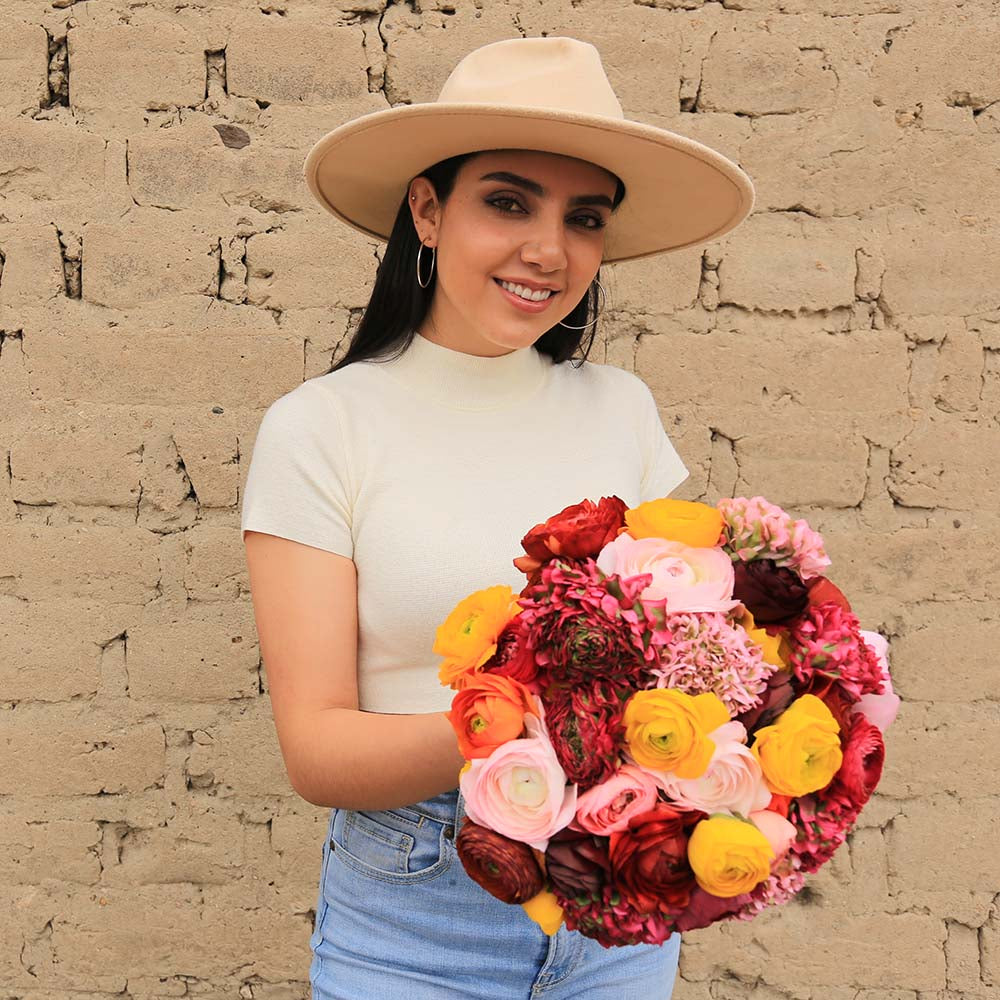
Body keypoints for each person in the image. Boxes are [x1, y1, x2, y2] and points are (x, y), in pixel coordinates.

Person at [241, 35, 755, 1000]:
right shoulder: (322, 427)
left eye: (584, 217)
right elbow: (317, 750)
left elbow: (682, 655)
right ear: (427, 210)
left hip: (615, 915)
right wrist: (532, 708)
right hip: (415, 914)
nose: (548, 251)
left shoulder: (622, 409)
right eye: (508, 202)